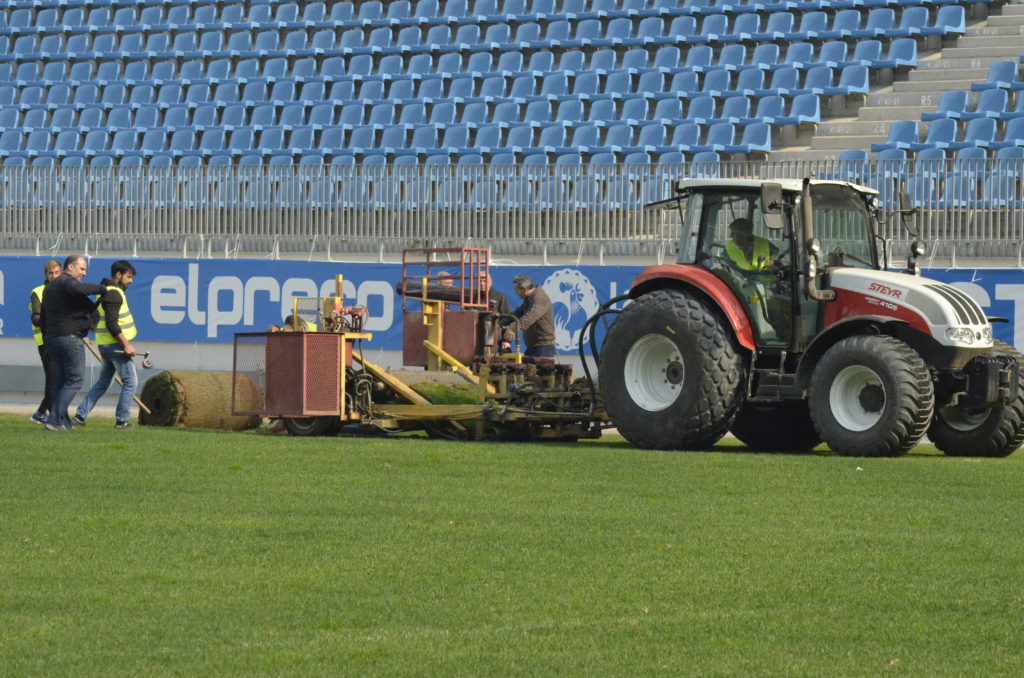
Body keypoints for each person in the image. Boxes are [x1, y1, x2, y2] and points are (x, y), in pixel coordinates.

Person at [38, 255, 108, 431]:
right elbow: (79, 290)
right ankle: (54, 420)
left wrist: (46, 342)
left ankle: (63, 422)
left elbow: (44, 318)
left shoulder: (50, 288)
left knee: (61, 383)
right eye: (82, 269)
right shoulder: (67, 282)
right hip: (70, 340)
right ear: (70, 267)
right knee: (75, 381)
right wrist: (102, 289)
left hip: (53, 339)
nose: (84, 273)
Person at [75, 260, 139, 430]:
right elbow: (112, 323)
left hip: (105, 345)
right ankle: (121, 421)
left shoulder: (105, 291)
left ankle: (80, 415)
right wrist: (126, 345)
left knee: (103, 382)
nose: (131, 281)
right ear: (118, 275)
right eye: (128, 277)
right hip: (115, 346)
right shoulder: (114, 293)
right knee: (131, 382)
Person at [28, 260, 63, 425]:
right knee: (53, 379)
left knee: (60, 379)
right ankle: (51, 415)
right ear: (45, 275)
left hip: (62, 340)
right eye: (51, 273)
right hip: (45, 342)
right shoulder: (38, 292)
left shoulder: (64, 291)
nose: (54, 276)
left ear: (61, 273)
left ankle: (40, 414)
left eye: (57, 273)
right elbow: (36, 318)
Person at [505, 273, 556, 358]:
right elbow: (517, 313)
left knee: (539, 371)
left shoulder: (540, 299)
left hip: (543, 347)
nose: (515, 293)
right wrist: (499, 322)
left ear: (524, 289)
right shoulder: (530, 299)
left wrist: (512, 328)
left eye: (516, 290)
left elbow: (530, 317)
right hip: (534, 346)